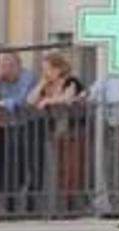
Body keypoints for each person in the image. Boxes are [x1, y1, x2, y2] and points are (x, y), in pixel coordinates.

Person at [0, 50, 38, 213]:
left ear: (17, 65)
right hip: (3, 129)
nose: (4, 69)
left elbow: (22, 100)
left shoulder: (27, 77)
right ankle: (4, 207)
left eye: (8, 65)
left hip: (27, 127)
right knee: (3, 169)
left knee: (23, 169)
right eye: (1, 65)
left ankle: (29, 209)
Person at [27, 51, 87, 213]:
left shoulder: (71, 81)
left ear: (59, 68)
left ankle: (72, 208)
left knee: (72, 171)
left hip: (73, 132)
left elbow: (67, 98)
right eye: (44, 69)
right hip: (55, 133)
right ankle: (61, 208)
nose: (46, 73)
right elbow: (30, 100)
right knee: (58, 171)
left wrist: (48, 100)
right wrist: (41, 84)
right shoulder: (47, 85)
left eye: (48, 69)